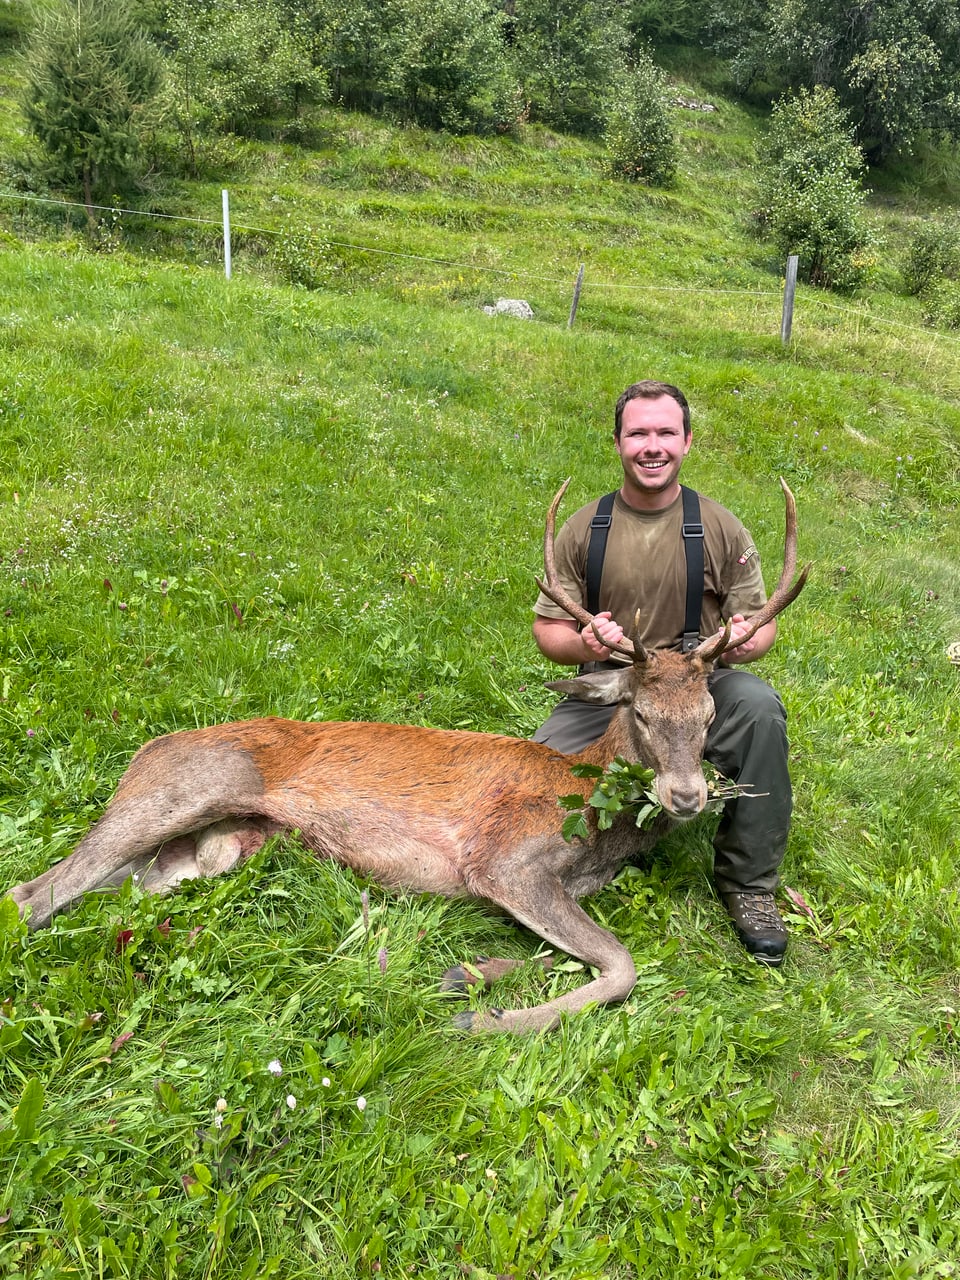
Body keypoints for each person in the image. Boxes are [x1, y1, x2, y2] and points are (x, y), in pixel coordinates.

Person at [531, 380, 792, 965]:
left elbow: (760, 625)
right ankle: (545, 875)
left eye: (666, 433)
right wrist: (584, 640)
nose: (653, 446)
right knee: (536, 781)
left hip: (700, 681)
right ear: (619, 442)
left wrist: (745, 640)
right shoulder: (585, 528)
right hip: (620, 685)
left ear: (687, 441)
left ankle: (749, 885)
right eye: (639, 433)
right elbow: (549, 634)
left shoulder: (720, 527)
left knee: (759, 712)